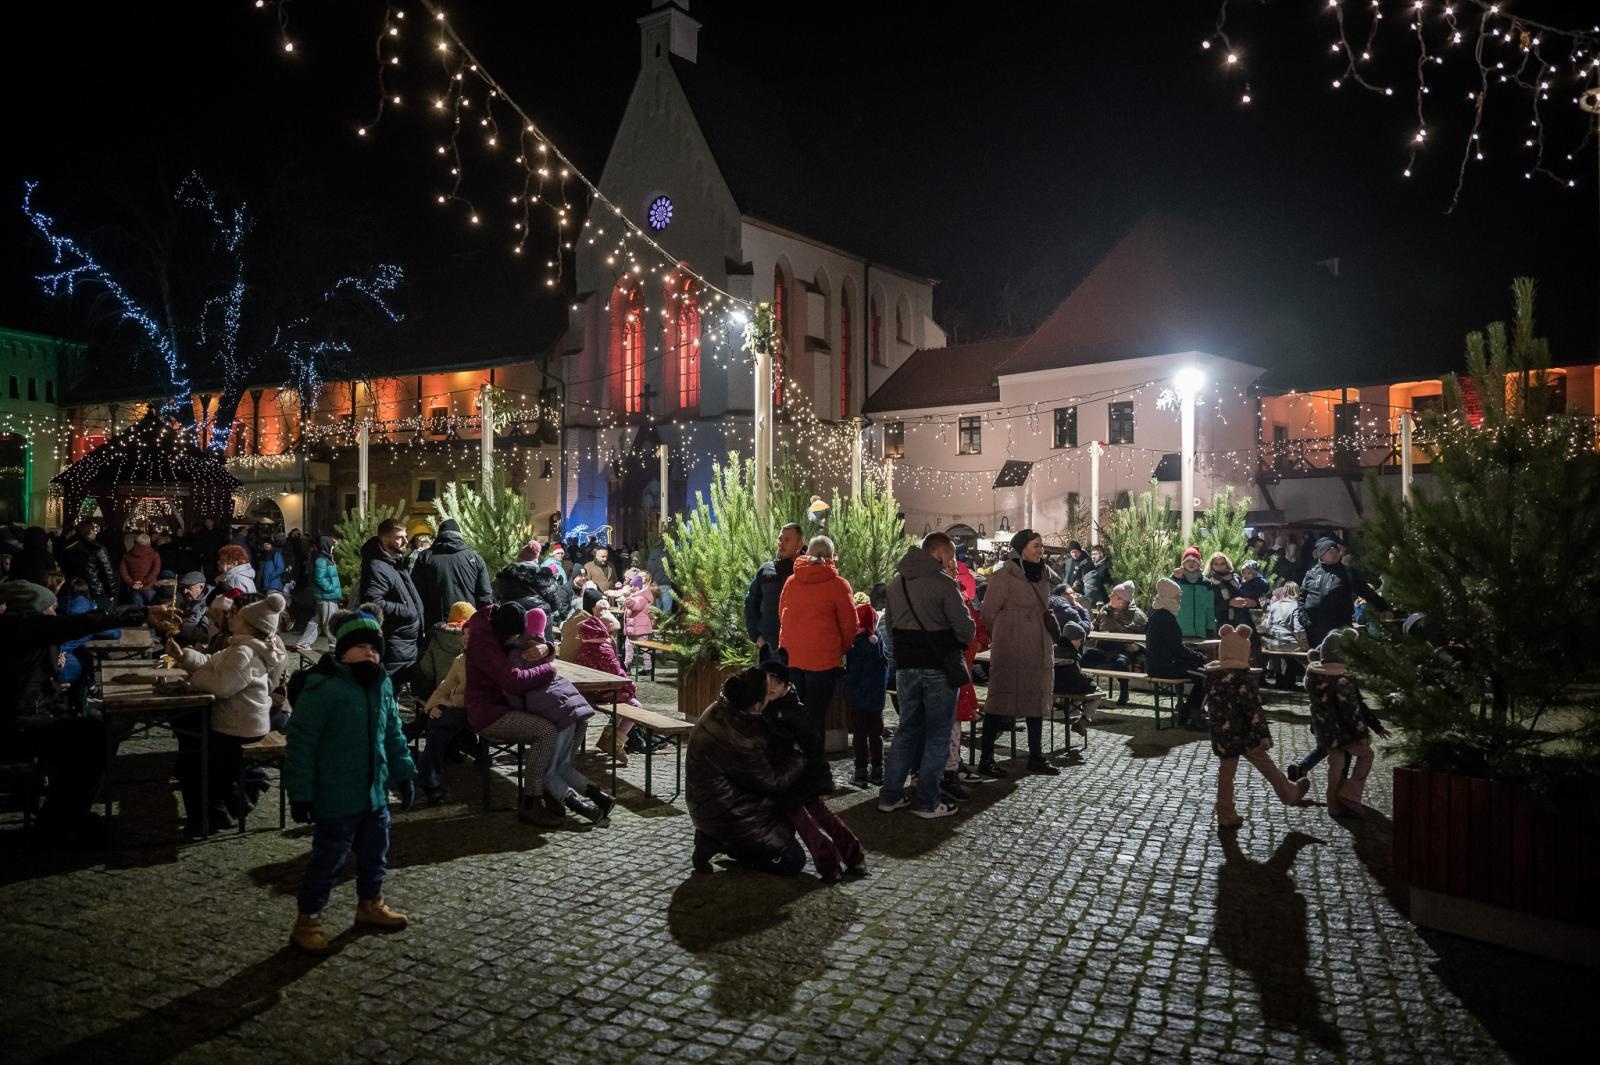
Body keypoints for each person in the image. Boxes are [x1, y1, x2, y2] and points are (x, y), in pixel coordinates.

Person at [284, 609, 417, 955]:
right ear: (342, 650)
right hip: (336, 796)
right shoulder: (323, 688)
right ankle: (308, 920)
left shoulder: (381, 683)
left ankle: (370, 904)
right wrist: (301, 793)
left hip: (373, 795)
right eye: (360, 646)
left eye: (375, 648)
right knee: (328, 860)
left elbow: (393, 732)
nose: (370, 654)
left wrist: (403, 773)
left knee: (375, 854)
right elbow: (301, 742)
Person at [0, 581, 169, 842]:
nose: (55, 615)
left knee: (99, 729)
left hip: (32, 718)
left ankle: (63, 815)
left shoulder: (27, 635)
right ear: (32, 610)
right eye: (51, 609)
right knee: (97, 738)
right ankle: (61, 822)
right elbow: (80, 623)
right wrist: (141, 613)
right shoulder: (20, 628)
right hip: (18, 726)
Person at [167, 592, 289, 836]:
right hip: (236, 722)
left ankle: (214, 815)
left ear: (248, 624)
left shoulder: (246, 653)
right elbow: (212, 661)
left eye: (237, 617)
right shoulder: (239, 647)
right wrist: (184, 657)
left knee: (197, 761)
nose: (231, 619)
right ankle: (217, 812)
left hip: (240, 727)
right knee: (196, 756)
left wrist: (194, 680)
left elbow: (222, 686)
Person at [878, 532, 975, 817]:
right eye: (951, 554)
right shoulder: (944, 585)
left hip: (907, 667)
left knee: (906, 730)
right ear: (940, 553)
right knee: (937, 734)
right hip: (938, 667)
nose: (952, 561)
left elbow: (891, 629)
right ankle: (928, 801)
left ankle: (890, 796)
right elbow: (966, 629)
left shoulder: (897, 584)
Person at [686, 667, 808, 876]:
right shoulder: (741, 739)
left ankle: (715, 839)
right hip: (730, 813)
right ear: (758, 705)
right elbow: (772, 782)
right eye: (767, 691)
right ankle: (729, 846)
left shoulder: (719, 709)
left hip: (707, 804)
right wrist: (798, 757)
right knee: (793, 861)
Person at [460, 603, 567, 828]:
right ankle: (531, 801)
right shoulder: (483, 645)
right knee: (545, 731)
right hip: (488, 712)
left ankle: (550, 788)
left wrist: (547, 648)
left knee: (560, 719)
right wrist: (548, 670)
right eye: (513, 636)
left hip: (505, 704)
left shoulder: (495, 621)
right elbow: (514, 681)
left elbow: (528, 640)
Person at [759, 662, 866, 882]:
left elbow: (815, 750)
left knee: (822, 820)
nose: (771, 687)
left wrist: (824, 783)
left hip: (801, 779)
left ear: (786, 684)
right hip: (785, 781)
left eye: (776, 682)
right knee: (809, 824)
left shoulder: (798, 713)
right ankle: (836, 864)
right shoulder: (764, 710)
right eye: (767, 682)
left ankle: (849, 858)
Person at [1203, 624, 1309, 827]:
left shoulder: (1212, 677)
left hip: (1223, 734)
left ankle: (1225, 812)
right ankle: (1287, 793)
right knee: (1264, 762)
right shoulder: (1243, 679)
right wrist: (1263, 735)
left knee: (1226, 773)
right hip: (1244, 733)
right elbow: (1253, 709)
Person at [979, 528, 1061, 776]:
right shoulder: (1005, 575)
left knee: (1036, 700)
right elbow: (989, 612)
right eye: (1036, 545)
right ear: (1021, 548)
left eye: (1041, 545)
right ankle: (987, 758)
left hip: (1039, 645)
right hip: (1011, 647)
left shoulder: (1045, 575)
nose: (1040, 549)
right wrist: (1008, 633)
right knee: (1000, 700)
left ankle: (1036, 756)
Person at [777, 535, 857, 737]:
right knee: (815, 715)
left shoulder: (791, 582)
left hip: (792, 657)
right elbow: (850, 625)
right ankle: (814, 763)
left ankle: (794, 762)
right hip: (823, 661)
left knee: (794, 713)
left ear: (807, 552)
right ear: (832, 556)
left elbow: (781, 614)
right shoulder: (839, 585)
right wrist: (840, 649)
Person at [1302, 629, 1382, 817]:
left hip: (1325, 732)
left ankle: (1333, 803)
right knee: (1367, 755)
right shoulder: (1343, 680)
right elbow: (1351, 712)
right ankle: (1350, 794)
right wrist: (1363, 734)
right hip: (1345, 733)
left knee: (1335, 765)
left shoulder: (1313, 676)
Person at [417, 606, 474, 806]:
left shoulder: (481, 662)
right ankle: (429, 781)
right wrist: (432, 705)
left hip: (474, 710)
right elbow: (445, 685)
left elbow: (473, 696)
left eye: (470, 635)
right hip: (456, 709)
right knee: (436, 723)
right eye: (464, 634)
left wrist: (445, 702)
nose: (465, 638)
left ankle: (426, 779)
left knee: (436, 723)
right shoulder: (460, 659)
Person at [357, 517, 425, 681]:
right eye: (400, 537)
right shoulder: (377, 566)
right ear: (385, 538)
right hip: (394, 643)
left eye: (406, 536)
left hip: (405, 643)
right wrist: (407, 611)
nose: (406, 541)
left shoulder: (394, 562)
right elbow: (373, 603)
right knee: (387, 691)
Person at [580, 596, 644, 766]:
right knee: (636, 707)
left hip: (588, 690)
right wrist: (631, 687)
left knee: (624, 703)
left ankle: (609, 737)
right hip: (602, 691)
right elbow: (617, 675)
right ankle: (614, 742)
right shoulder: (604, 648)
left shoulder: (585, 644)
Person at [1297, 537, 1392, 649]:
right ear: (1321, 554)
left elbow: (1366, 591)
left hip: (1339, 625)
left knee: (1339, 659)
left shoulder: (1347, 573)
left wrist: (1383, 607)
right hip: (1314, 628)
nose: (1335, 554)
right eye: (1330, 552)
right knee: (1317, 662)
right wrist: (1303, 618)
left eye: (1336, 551)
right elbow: (1302, 597)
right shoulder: (1311, 573)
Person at [411, 517, 494, 633]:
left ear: (439, 536)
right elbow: (485, 595)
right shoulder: (474, 558)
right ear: (460, 536)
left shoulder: (425, 557)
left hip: (436, 625)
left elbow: (415, 592)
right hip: (467, 625)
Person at [1148, 577, 1210, 730]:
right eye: (1178, 596)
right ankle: (1192, 718)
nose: (1180, 599)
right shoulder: (1165, 618)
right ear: (1169, 596)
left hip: (1161, 664)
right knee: (1207, 677)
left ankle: (1187, 714)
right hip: (1165, 666)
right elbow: (1177, 649)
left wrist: (1195, 658)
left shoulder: (1158, 615)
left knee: (1204, 674)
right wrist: (1198, 657)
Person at [744, 522, 805, 666]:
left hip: (800, 650)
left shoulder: (807, 572)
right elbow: (750, 603)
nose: (781, 543)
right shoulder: (766, 571)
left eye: (787, 540)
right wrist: (758, 637)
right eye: (780, 539)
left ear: (800, 543)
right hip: (769, 647)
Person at [844, 593, 888, 787]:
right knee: (876, 735)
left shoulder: (853, 648)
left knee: (859, 736)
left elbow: (851, 675)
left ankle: (860, 770)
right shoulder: (880, 645)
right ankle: (878, 768)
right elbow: (885, 671)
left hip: (858, 701)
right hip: (876, 701)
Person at [1090, 579, 1147, 704]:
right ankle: (1087, 691)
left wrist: (1136, 646)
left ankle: (1124, 693)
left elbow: (1146, 636)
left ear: (1122, 600)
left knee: (1120, 663)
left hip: (1124, 650)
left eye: (1113, 595)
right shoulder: (1104, 610)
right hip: (1103, 647)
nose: (1110, 596)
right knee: (1086, 658)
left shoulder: (1137, 615)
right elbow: (1095, 625)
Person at [296, 536, 343, 651]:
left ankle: (303, 643)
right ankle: (334, 645)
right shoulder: (322, 560)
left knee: (317, 620)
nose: (333, 548)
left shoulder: (324, 558)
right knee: (331, 621)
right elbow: (319, 578)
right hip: (327, 596)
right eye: (332, 545)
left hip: (324, 596)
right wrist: (330, 588)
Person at [62, 520, 117, 611]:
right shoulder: (98, 549)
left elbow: (66, 570)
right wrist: (111, 593)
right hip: (97, 591)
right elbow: (107, 572)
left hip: (76, 589)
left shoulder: (69, 549)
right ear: (91, 531)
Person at [1261, 582, 1308, 688]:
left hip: (1273, 643)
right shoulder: (1297, 606)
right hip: (1290, 643)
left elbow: (1267, 626)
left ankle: (1279, 678)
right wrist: (1305, 643)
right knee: (1298, 656)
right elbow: (1299, 629)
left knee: (1278, 655)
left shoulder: (1274, 605)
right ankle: (1289, 680)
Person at [1170, 546, 1217, 638]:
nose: (1191, 563)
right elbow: (1164, 592)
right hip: (1178, 632)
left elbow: (1210, 608)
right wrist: (1174, 578)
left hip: (1200, 633)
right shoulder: (1176, 580)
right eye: (1188, 560)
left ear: (1199, 564)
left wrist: (1210, 628)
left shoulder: (1206, 583)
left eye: (1194, 561)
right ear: (1183, 563)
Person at [119, 532, 161, 605]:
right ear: (148, 543)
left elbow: (123, 572)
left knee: (138, 611)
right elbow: (155, 570)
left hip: (134, 587)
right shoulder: (154, 554)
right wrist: (144, 582)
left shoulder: (127, 555)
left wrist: (132, 583)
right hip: (149, 586)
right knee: (153, 610)